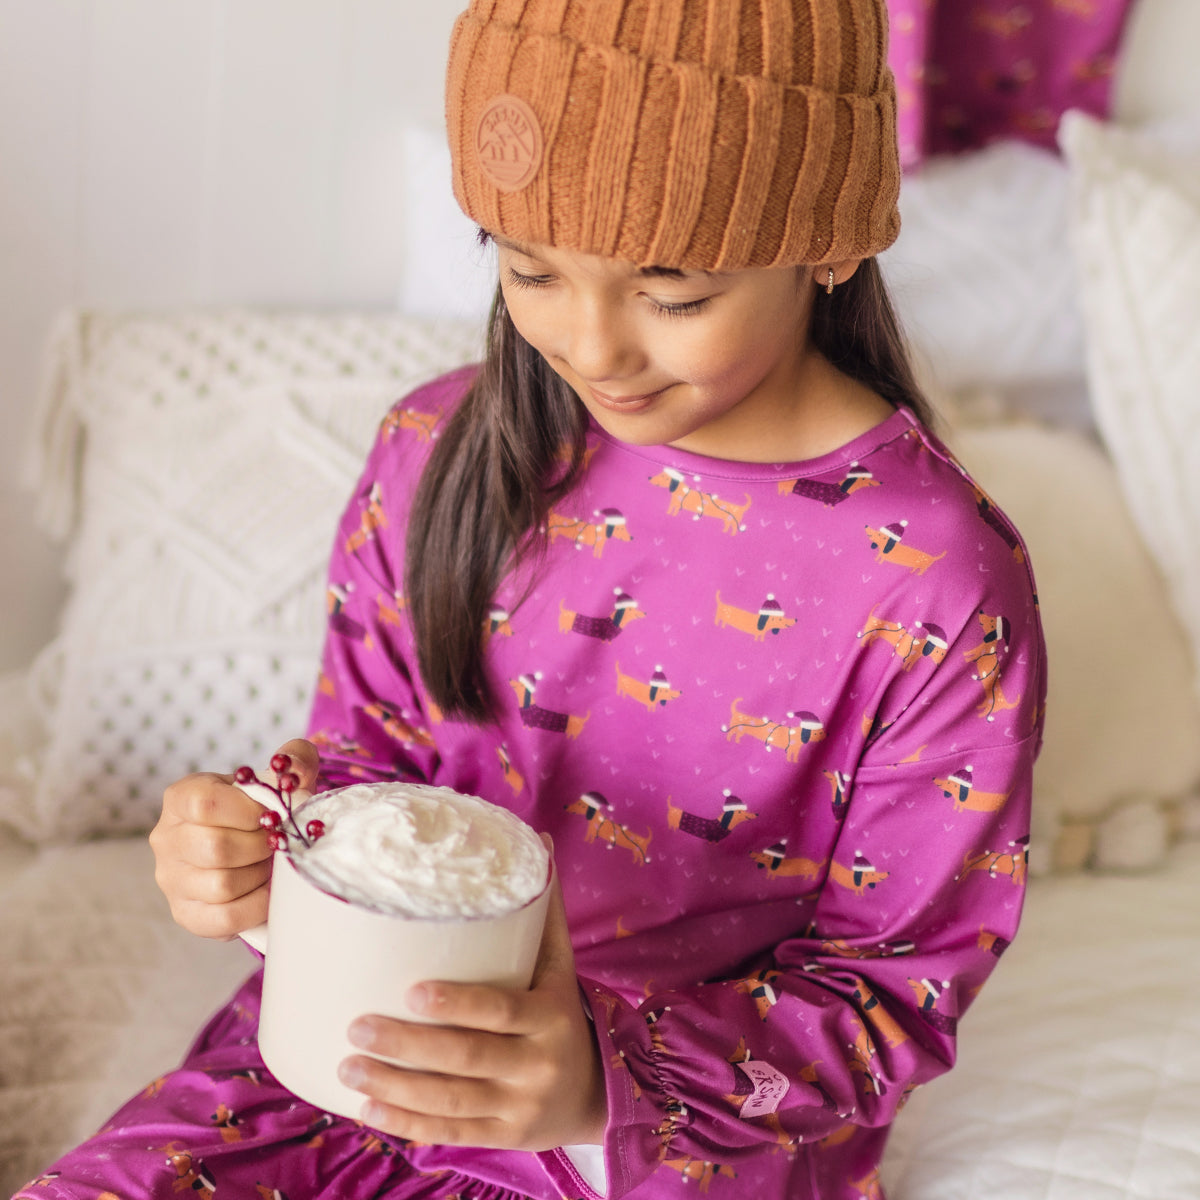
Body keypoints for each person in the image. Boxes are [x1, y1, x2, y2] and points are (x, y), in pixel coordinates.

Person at [14, 1, 1046, 1198]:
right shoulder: (437, 445)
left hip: (669, 1142)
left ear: (828, 241)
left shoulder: (936, 581)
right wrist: (262, 842)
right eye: (530, 270)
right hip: (341, 1055)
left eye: (673, 294)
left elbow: (891, 994)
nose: (592, 345)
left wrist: (600, 1077)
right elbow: (369, 767)